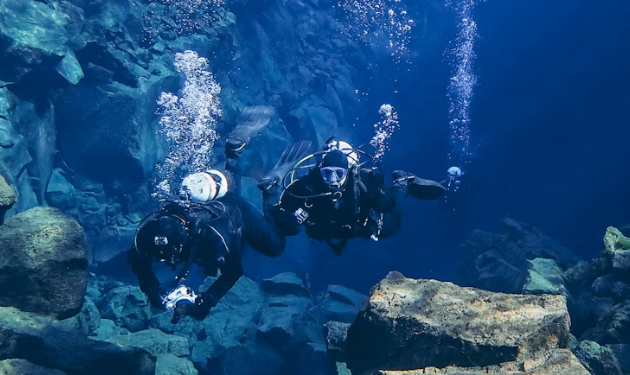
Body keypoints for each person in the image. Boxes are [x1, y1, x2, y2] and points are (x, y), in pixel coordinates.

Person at [129, 106, 290, 322]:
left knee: (275, 248)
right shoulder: (149, 235)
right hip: (206, 201)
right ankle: (233, 151)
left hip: (237, 213)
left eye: (170, 254)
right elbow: (136, 257)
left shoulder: (214, 241)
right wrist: (151, 289)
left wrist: (206, 302)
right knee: (232, 186)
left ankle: (271, 192)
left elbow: (234, 271)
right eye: (162, 255)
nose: (165, 259)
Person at [262, 138, 446, 255]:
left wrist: (375, 203)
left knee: (394, 224)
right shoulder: (308, 185)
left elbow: (387, 206)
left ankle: (402, 182)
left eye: (338, 174)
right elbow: (283, 205)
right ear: (320, 171)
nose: (332, 180)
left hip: (357, 225)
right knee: (285, 228)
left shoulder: (362, 183)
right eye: (327, 174)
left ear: (347, 172)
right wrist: (273, 199)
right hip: (328, 229)